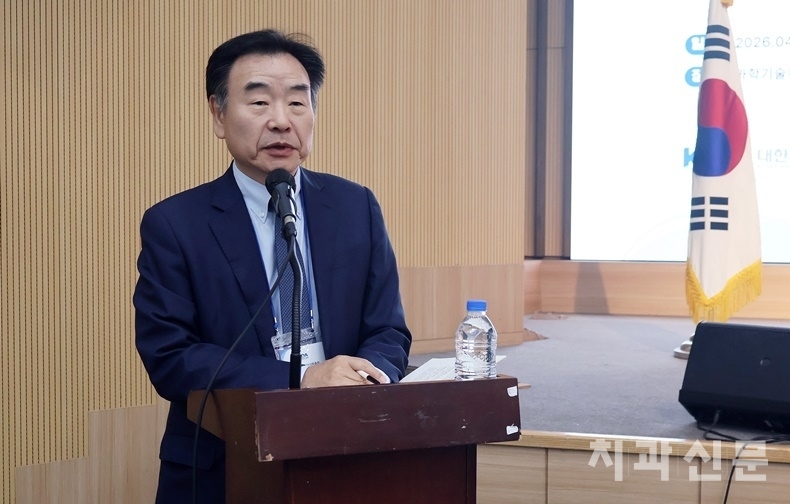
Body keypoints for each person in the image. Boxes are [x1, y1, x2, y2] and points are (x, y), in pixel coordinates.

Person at [133, 29, 412, 503]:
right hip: (226, 463)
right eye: (260, 102)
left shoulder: (355, 207)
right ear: (218, 115)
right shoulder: (176, 224)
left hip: (348, 451)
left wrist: (368, 379)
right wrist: (301, 380)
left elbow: (388, 330)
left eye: (297, 103)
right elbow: (171, 356)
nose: (281, 121)